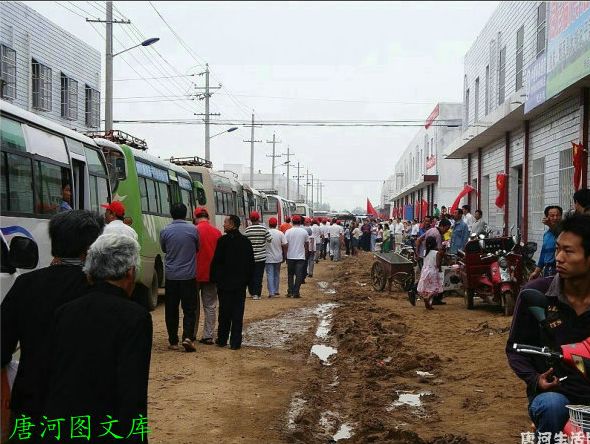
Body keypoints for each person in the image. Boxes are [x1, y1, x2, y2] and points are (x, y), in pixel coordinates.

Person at [44, 234, 152, 441]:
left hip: (64, 427)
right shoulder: (135, 317)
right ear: (130, 272)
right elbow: (132, 391)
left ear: (90, 274)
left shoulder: (65, 311)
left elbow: (53, 374)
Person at [1, 210, 104, 425]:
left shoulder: (25, 285)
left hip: (31, 404)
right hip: (86, 409)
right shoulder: (101, 290)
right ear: (89, 249)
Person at [506, 214, 590, 437]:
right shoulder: (536, 294)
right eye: (557, 250)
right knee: (552, 408)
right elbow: (516, 349)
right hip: (556, 394)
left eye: (569, 251)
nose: (559, 258)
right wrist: (535, 379)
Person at [210, 215, 255, 350]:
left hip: (224, 285)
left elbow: (216, 262)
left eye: (225, 222)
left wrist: (214, 279)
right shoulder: (245, 242)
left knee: (224, 312)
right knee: (237, 313)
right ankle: (235, 342)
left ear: (232, 224)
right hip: (240, 285)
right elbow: (250, 264)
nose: (223, 225)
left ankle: (222, 339)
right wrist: (249, 283)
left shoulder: (222, 241)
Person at [160, 203, 199, 352]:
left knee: (171, 308)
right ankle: (188, 337)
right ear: (185, 214)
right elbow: (197, 248)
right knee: (189, 308)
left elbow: (164, 248)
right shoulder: (193, 230)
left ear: (171, 214)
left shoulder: (165, 231)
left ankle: (173, 341)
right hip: (188, 276)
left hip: (171, 276)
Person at [193, 207, 222, 345]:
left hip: (194, 273)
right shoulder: (216, 232)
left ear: (195, 217)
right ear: (208, 217)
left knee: (193, 306)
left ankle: (190, 334)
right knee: (210, 306)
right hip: (212, 274)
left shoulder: (193, 230)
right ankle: (208, 335)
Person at [529, 205, 563, 281]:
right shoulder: (546, 235)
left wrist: (550, 225)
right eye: (552, 216)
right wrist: (537, 271)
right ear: (546, 217)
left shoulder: (565, 232)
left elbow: (559, 235)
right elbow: (543, 254)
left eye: (558, 215)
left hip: (559, 269)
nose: (555, 218)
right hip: (548, 270)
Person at [243, 211, 272, 300]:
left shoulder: (247, 230)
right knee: (258, 275)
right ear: (259, 219)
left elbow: (244, 241)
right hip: (261, 257)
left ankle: (252, 292)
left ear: (250, 220)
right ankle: (257, 294)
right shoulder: (263, 229)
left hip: (250, 258)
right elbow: (270, 239)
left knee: (250, 275)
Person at [284, 215, 309, 298]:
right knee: (299, 275)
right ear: (300, 222)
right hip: (300, 257)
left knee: (290, 275)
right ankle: (296, 292)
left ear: (292, 221)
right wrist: (305, 255)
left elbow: (286, 244)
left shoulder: (288, 232)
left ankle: (290, 291)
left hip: (290, 256)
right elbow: (306, 245)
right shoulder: (304, 232)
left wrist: (285, 255)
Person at [416, 236, 444, 309]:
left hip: (425, 271)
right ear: (435, 244)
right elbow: (438, 264)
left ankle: (429, 304)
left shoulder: (425, 252)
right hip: (433, 272)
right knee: (435, 288)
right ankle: (428, 298)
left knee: (427, 288)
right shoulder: (437, 253)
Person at [265, 217, 288, 297]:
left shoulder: (266, 232)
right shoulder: (280, 233)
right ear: (276, 224)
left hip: (268, 257)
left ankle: (271, 292)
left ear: (269, 224)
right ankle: (276, 290)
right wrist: (285, 256)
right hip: (278, 257)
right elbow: (285, 245)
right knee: (277, 274)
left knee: (269, 274)